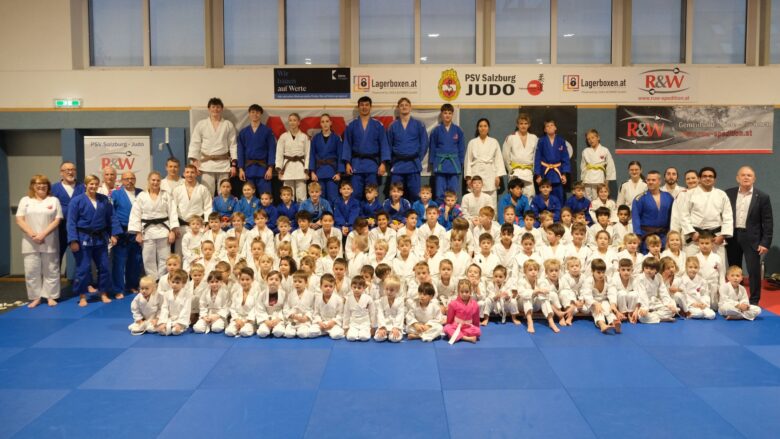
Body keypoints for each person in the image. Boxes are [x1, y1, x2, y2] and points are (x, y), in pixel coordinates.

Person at [67, 174, 120, 307]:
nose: (93, 186)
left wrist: (114, 234)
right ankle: (82, 295)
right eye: (91, 184)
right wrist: (73, 240)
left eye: (96, 184)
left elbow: (111, 217)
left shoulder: (104, 199)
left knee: (104, 266)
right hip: (83, 238)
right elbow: (71, 222)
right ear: (85, 185)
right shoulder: (76, 201)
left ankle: (103, 293)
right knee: (83, 268)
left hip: (100, 238)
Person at [726, 166, 773, 305]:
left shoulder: (762, 197)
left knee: (753, 271)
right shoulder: (728, 194)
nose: (746, 177)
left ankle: (753, 301)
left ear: (754, 179)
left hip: (752, 239)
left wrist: (765, 242)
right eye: (743, 175)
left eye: (749, 175)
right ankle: (735, 299)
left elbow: (768, 221)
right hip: (732, 237)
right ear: (737, 178)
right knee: (734, 269)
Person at [16, 174, 62, 308]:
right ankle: (35, 297)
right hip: (30, 241)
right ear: (33, 186)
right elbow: (19, 219)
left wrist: (42, 235)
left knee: (51, 270)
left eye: (44, 184)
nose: (41, 186)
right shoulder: (25, 200)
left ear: (48, 186)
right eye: (38, 184)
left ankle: (50, 296)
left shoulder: (53, 200)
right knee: (31, 270)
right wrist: (33, 235)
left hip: (49, 240)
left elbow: (57, 220)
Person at [128, 172, 179, 280]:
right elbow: (135, 214)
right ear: (148, 180)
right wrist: (138, 233)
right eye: (153, 180)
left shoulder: (166, 195)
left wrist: (172, 231)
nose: (155, 182)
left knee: (165, 258)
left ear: (161, 181)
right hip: (147, 231)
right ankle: (153, 281)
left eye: (158, 180)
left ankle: (163, 280)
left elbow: (172, 213)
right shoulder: (142, 196)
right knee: (148, 259)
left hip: (164, 230)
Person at [342, 96, 390, 200]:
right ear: (358, 107)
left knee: (372, 193)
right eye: (362, 105)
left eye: (367, 105)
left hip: (372, 164)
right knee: (355, 194)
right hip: (356, 163)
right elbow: (347, 145)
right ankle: (356, 211)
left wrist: (383, 163)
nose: (364, 107)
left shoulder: (378, 125)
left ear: (370, 107)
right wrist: (347, 163)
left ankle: (372, 211)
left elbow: (384, 145)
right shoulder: (351, 125)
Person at [680, 167, 733, 259]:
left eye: (710, 176)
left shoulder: (721, 194)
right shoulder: (689, 194)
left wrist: (723, 236)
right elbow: (684, 215)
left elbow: (728, 217)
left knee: (718, 265)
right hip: (695, 236)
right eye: (704, 176)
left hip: (715, 237)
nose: (707, 178)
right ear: (699, 179)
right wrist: (692, 233)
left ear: (714, 179)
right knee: (692, 264)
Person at [188, 97, 238, 195]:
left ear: (222, 109)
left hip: (223, 163)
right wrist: (194, 162)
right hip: (206, 164)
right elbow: (195, 143)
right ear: (209, 109)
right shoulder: (201, 124)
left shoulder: (228, 124)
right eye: (213, 107)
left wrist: (233, 165)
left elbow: (233, 145)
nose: (215, 109)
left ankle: (224, 206)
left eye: (218, 107)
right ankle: (208, 206)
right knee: (207, 191)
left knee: (224, 191)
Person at [387, 97, 428, 203]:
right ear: (398, 108)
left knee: (415, 193)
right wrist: (392, 160)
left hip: (413, 163)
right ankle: (395, 212)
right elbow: (388, 145)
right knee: (395, 193)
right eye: (401, 105)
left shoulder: (419, 124)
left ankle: (414, 213)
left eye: (406, 105)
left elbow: (424, 144)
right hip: (398, 164)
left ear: (410, 107)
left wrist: (418, 158)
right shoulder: (393, 126)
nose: (404, 107)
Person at [110, 171, 143, 298]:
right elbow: (111, 213)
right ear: (121, 180)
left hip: (136, 231)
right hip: (121, 231)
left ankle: (132, 285)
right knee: (119, 261)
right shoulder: (115, 194)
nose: (129, 181)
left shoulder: (141, 193)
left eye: (132, 178)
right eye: (126, 178)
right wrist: (114, 232)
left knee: (135, 260)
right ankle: (118, 289)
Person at [429, 103, 465, 204]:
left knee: (453, 191)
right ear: (441, 114)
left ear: (452, 114)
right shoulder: (436, 130)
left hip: (454, 164)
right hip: (440, 163)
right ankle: (440, 211)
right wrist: (432, 162)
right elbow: (432, 147)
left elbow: (461, 148)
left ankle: (453, 211)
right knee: (440, 192)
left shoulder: (458, 130)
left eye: (449, 113)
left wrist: (461, 162)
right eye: (445, 113)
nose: (447, 115)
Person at [237, 104, 276, 197]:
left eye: (257, 112)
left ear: (261, 114)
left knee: (266, 197)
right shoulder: (243, 132)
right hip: (248, 169)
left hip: (263, 169)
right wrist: (241, 169)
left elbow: (272, 150)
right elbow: (240, 151)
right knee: (249, 197)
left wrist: (270, 168)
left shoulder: (267, 131)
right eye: (252, 112)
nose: (255, 114)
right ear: (249, 114)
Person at [465, 118, 505, 207]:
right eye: (480, 126)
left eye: (485, 126)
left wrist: (498, 176)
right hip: (476, 172)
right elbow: (468, 160)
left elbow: (498, 160)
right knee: (476, 200)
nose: (483, 128)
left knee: (491, 201)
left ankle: (492, 216)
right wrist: (468, 177)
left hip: (490, 172)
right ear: (477, 128)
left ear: (488, 128)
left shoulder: (494, 142)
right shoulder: (472, 142)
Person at [51, 161, 85, 264]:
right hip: (59, 228)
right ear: (61, 172)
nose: (70, 172)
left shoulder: (83, 188)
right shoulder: (53, 188)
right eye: (67, 170)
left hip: (79, 228)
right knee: (56, 259)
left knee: (82, 259)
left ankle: (81, 276)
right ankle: (56, 275)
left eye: (73, 170)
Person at [631, 170, 674, 249]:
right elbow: (635, 218)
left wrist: (672, 233)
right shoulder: (639, 198)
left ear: (660, 181)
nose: (650, 182)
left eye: (653, 180)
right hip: (646, 236)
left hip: (664, 236)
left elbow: (673, 217)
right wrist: (638, 235)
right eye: (648, 180)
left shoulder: (668, 197)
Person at [534, 118, 570, 205]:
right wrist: (538, 175)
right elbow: (538, 158)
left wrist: (564, 174)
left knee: (559, 196)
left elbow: (565, 158)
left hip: (557, 172)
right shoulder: (541, 141)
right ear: (545, 130)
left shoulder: (561, 141)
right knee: (544, 194)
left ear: (555, 128)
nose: (550, 127)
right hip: (545, 172)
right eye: (547, 126)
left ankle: (559, 212)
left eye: (552, 125)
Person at [276, 113, 311, 201]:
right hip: (287, 168)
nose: (292, 122)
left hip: (301, 167)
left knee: (301, 195)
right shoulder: (283, 137)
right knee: (287, 194)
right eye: (290, 120)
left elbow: (308, 154)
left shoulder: (304, 137)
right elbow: (279, 154)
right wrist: (279, 169)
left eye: (294, 120)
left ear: (299, 122)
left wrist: (307, 169)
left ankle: (302, 210)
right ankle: (288, 209)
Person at [309, 113, 343, 205]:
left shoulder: (336, 138)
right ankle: (321, 214)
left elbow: (340, 155)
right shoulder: (315, 138)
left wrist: (339, 173)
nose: (325, 124)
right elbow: (312, 155)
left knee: (333, 197)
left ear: (330, 123)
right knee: (320, 197)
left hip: (332, 172)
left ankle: (333, 214)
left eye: (327, 121)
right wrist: (312, 172)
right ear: (320, 124)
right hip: (319, 172)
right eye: (323, 122)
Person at [503, 113, 538, 199]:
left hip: (528, 172)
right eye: (521, 123)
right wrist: (510, 170)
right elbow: (505, 155)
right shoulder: (511, 138)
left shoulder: (534, 138)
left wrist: (533, 170)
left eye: (525, 123)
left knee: (530, 196)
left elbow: (536, 156)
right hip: (515, 171)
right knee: (514, 197)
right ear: (517, 125)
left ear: (529, 125)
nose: (523, 126)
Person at [580, 129, 616, 201]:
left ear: (598, 138)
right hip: (588, 178)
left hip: (599, 177)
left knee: (598, 198)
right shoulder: (585, 151)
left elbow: (610, 166)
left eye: (592, 137)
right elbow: (583, 166)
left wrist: (607, 180)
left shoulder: (605, 150)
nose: (591, 140)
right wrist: (583, 180)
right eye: (588, 139)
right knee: (587, 197)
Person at [444, 279, 481, 343]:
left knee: (478, 331)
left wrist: (476, 327)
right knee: (447, 328)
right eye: (462, 292)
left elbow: (476, 320)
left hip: (468, 327)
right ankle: (466, 338)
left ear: (470, 291)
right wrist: (450, 325)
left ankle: (458, 336)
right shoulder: (453, 304)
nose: (464, 294)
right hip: (456, 326)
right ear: (458, 292)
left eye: (466, 292)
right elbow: (450, 318)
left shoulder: (475, 304)